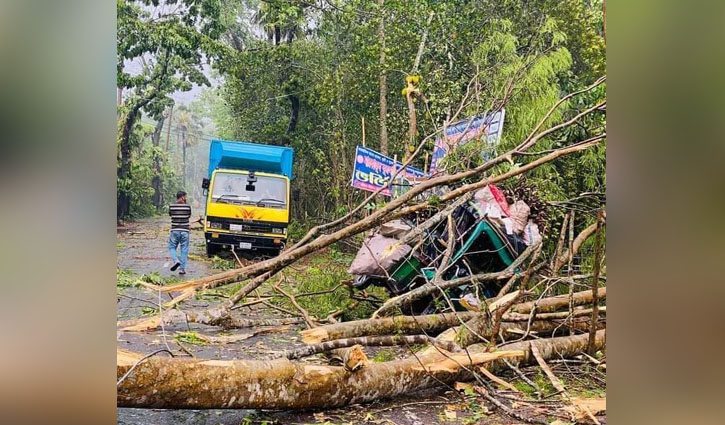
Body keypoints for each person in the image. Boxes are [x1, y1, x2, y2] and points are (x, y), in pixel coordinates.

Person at [168, 190, 191, 275]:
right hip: (185, 231)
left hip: (174, 230)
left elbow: (170, 215)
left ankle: (176, 260)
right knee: (184, 250)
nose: (186, 198)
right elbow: (188, 215)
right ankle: (182, 269)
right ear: (182, 197)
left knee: (172, 247)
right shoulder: (187, 206)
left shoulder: (171, 206)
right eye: (185, 197)